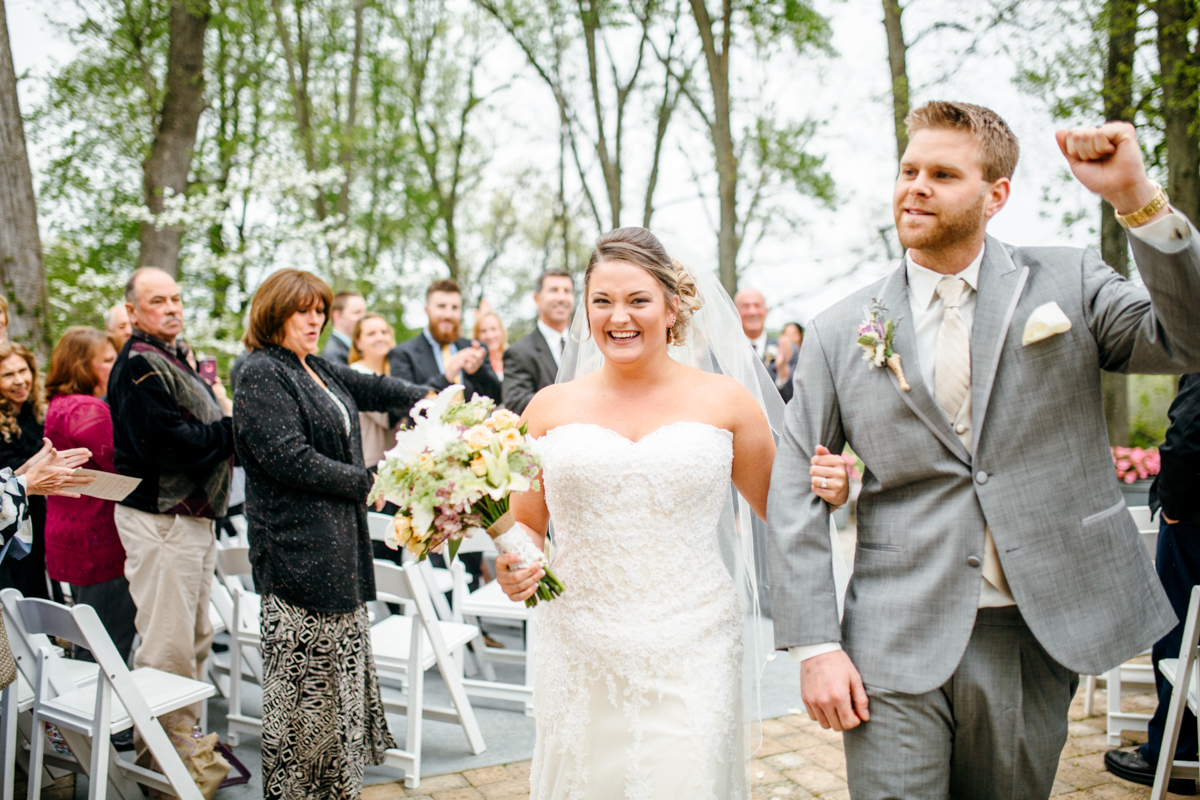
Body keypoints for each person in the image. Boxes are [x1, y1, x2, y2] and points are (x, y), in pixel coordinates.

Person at [769, 102, 1200, 800]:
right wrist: (815, 644)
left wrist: (1134, 198)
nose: (916, 186)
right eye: (909, 170)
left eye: (942, 173)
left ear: (996, 194)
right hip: (893, 631)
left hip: (1032, 633)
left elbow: (1190, 338)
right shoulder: (840, 328)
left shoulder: (1070, 281)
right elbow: (794, 480)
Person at [496, 227, 850, 799]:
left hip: (694, 639)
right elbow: (528, 526)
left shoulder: (726, 400)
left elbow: (783, 509)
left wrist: (830, 490)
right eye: (602, 301)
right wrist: (517, 565)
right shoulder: (546, 409)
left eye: (638, 300)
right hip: (580, 642)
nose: (619, 317)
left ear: (671, 306)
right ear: (585, 311)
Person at [233, 269, 431, 800]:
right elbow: (289, 459)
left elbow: (374, 386)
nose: (315, 318)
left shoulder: (315, 366)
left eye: (320, 309)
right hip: (297, 558)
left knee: (337, 698)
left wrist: (433, 396)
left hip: (339, 554)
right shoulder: (261, 373)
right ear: (275, 314)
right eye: (303, 310)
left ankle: (339, 789)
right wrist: (374, 482)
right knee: (307, 702)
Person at [108, 267, 236, 765]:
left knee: (196, 639)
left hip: (194, 522)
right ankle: (163, 765)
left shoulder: (174, 357)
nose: (172, 308)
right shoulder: (139, 366)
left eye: (177, 298)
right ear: (133, 312)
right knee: (166, 647)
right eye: (158, 301)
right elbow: (172, 446)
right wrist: (229, 427)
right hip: (161, 522)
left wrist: (220, 427)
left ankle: (189, 749)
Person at [1105, 372, 1200, 792]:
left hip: (1193, 520)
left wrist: (1174, 510)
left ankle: (1171, 751)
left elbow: (1187, 433)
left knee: (1177, 628)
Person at [43, 328, 137, 666]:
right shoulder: (87, 409)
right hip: (97, 538)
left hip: (69, 531)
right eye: (108, 361)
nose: (116, 368)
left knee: (87, 635)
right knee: (107, 646)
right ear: (84, 366)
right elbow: (118, 461)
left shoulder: (58, 405)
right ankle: (103, 717)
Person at [0, 342, 57, 601]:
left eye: (24, 370)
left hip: (38, 510)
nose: (20, 380)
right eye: (8, 375)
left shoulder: (35, 412)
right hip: (8, 519)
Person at [389, 279, 501, 411]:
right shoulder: (404, 354)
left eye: (454, 308)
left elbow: (497, 397)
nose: (448, 315)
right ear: (427, 310)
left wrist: (477, 372)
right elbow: (400, 407)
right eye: (441, 307)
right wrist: (447, 377)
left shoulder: (474, 348)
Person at [502, 269, 574, 415]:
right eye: (554, 290)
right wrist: (571, 400)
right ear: (537, 299)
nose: (561, 297)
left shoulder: (588, 344)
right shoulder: (519, 351)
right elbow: (516, 401)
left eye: (567, 291)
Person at [348, 313, 401, 469]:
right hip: (372, 465)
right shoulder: (356, 373)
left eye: (384, 332)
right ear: (358, 343)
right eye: (371, 334)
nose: (380, 338)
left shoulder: (394, 371)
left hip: (398, 461)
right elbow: (387, 418)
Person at [735, 289, 798, 403]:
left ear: (766, 311)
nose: (752, 312)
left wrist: (783, 370)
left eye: (757, 305)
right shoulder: (720, 352)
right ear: (734, 312)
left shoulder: (789, 350)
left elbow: (795, 398)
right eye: (745, 306)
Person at [321, 290, 366, 365]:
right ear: (337, 316)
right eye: (357, 312)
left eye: (364, 312)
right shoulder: (332, 354)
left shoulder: (350, 348)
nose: (363, 318)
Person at [474, 311, 508, 383]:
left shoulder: (510, 357)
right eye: (483, 331)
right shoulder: (476, 364)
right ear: (477, 335)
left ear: (501, 331)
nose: (489, 336)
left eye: (493, 329)